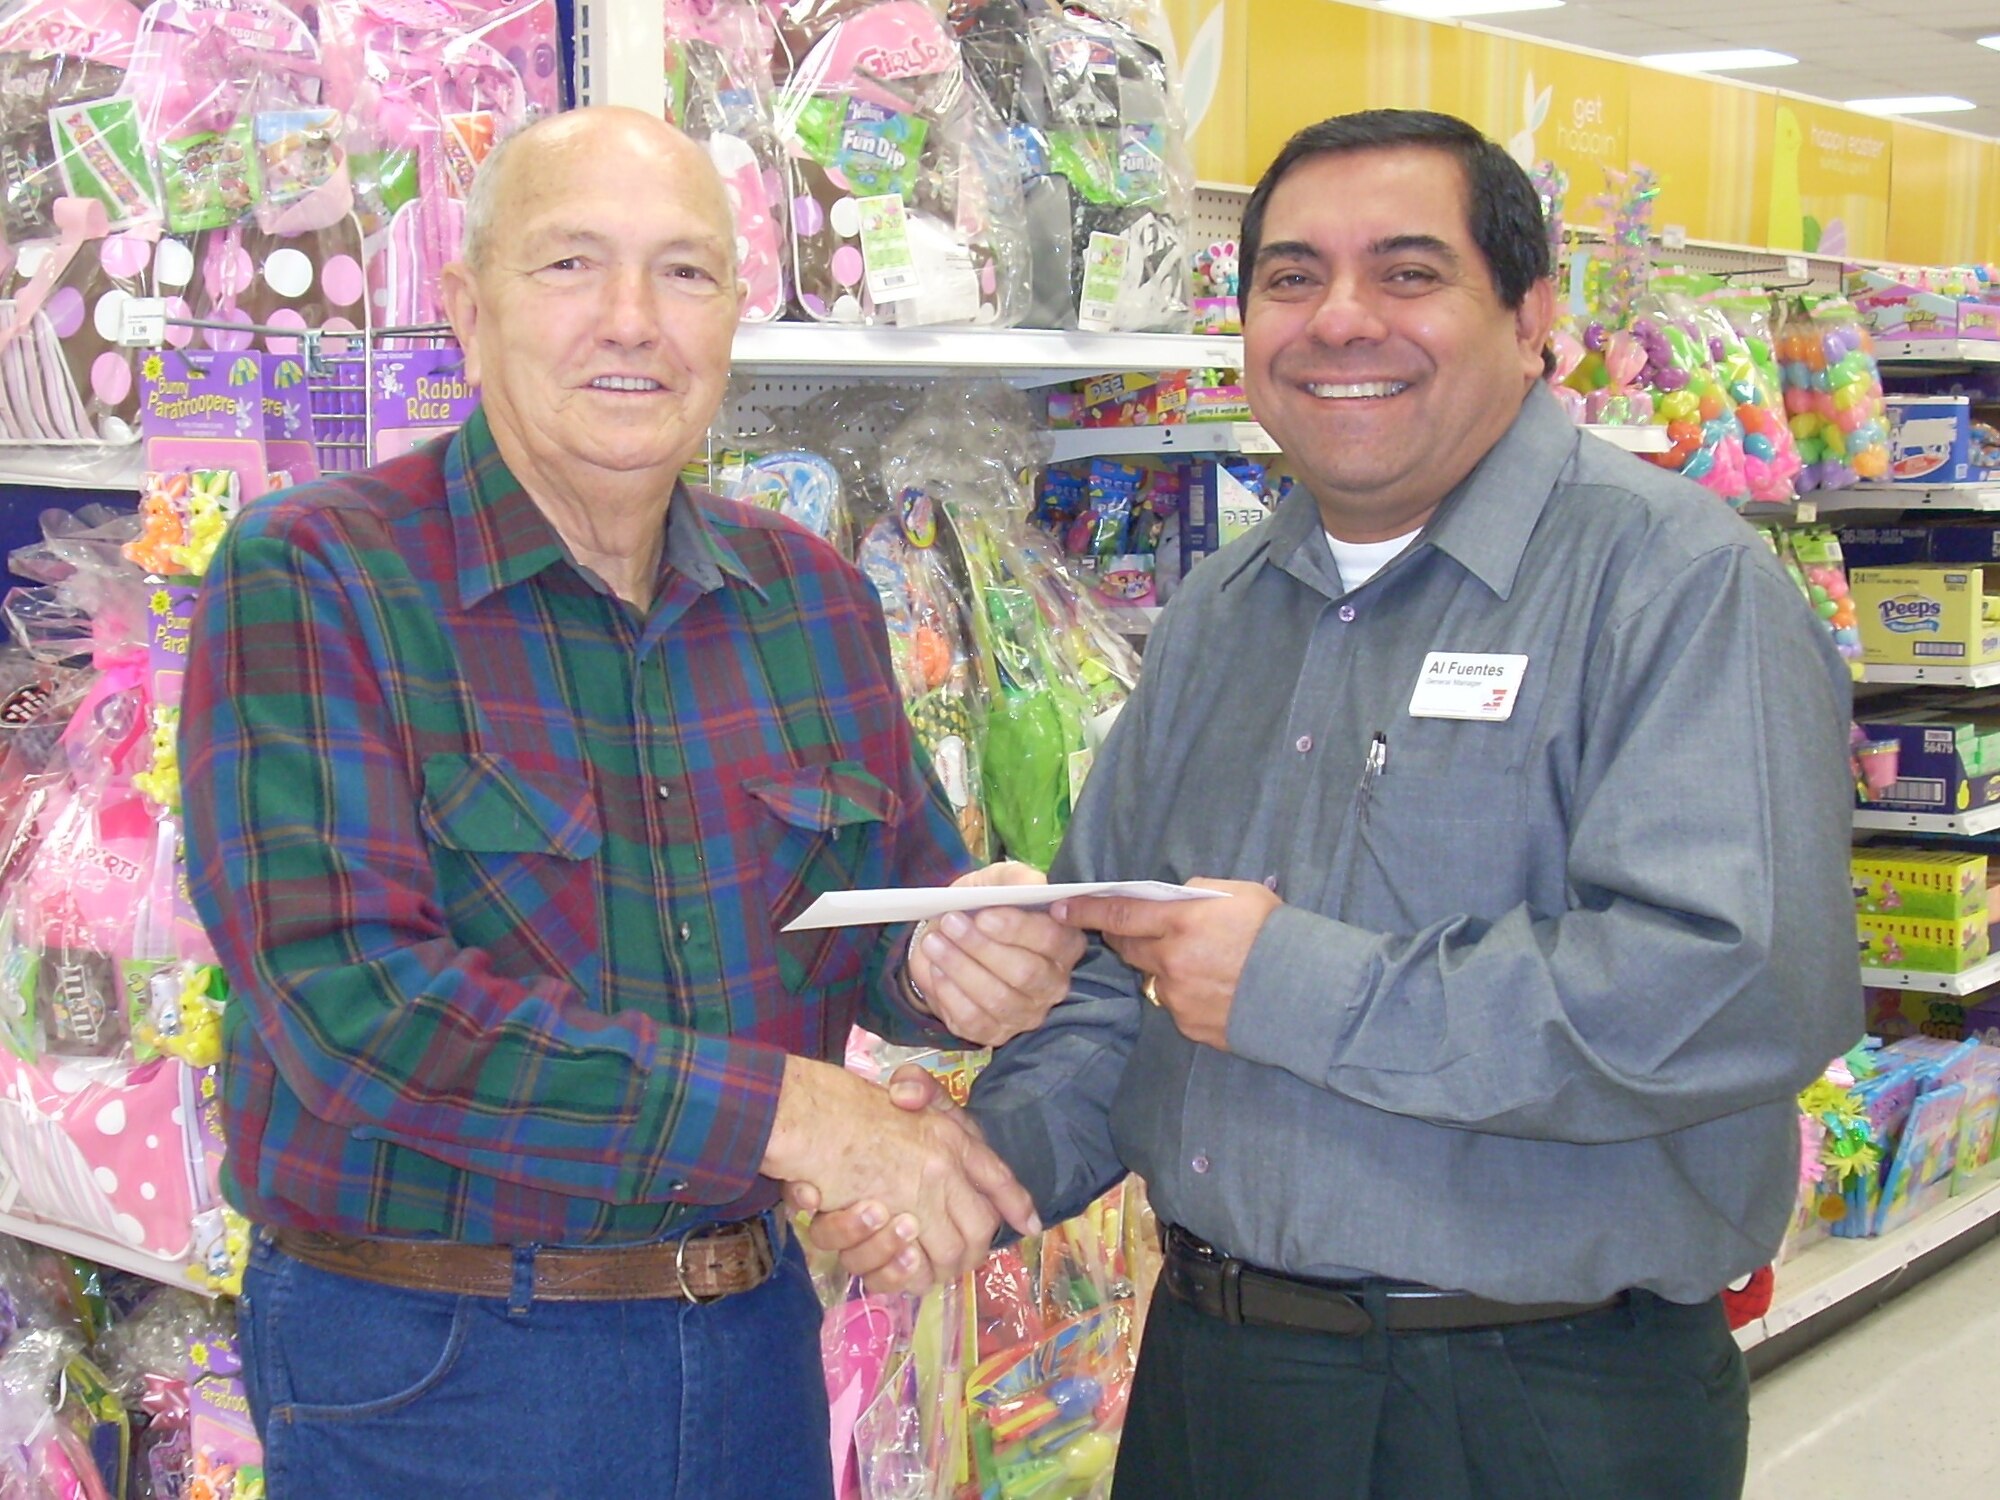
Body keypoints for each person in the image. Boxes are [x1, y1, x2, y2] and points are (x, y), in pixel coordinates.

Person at [802, 109, 1863, 1499]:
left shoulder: (1675, 587)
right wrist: (979, 1164)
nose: (1340, 320)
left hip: (1540, 1402)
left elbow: (1738, 989)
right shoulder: (1216, 617)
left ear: (1531, 312)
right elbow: (1114, 986)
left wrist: (1297, 984)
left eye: (1409, 273)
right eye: (1292, 279)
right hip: (1225, 1385)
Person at [179, 106, 1081, 1500]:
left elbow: (886, 920)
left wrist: (967, 947)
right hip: (439, 1358)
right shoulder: (319, 575)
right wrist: (808, 1121)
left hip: (751, 1339)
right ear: (467, 312)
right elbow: (353, 1006)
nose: (631, 321)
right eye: (568, 267)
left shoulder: (812, 595)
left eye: (685, 272)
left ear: (733, 314)